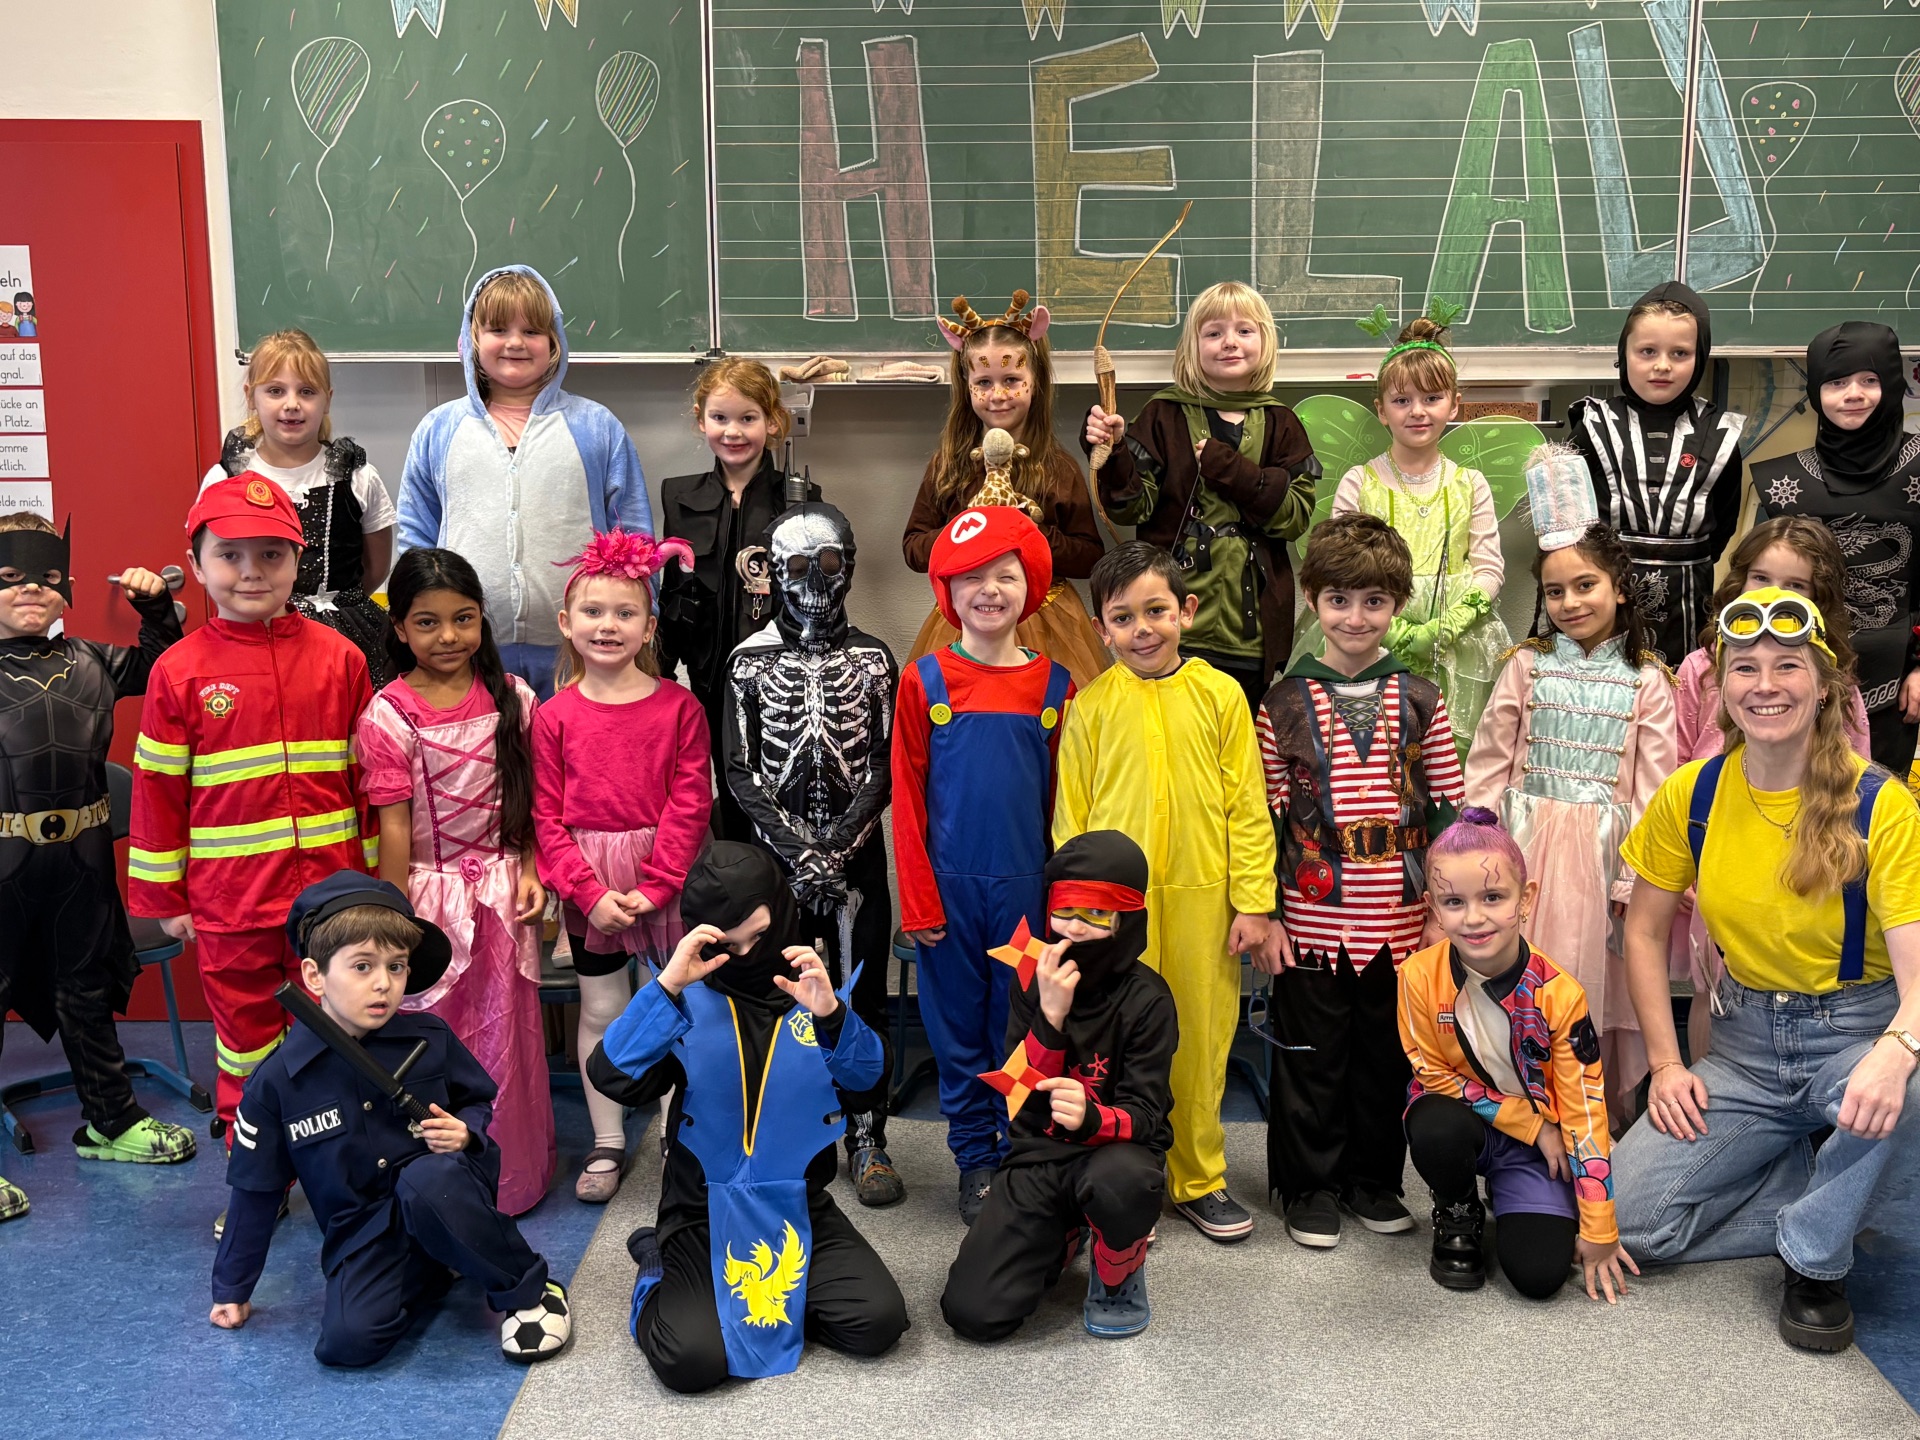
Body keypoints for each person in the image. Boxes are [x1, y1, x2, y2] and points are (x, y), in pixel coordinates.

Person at [1614, 587, 1920, 1353]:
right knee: (1626, 1224)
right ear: (1722, 686)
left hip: (1853, 1030)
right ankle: (1816, 1189)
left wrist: (1896, 1052)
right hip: (1743, 1043)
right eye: (1745, 667)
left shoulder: (1880, 803)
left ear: (1826, 686)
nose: (1766, 684)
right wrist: (1663, 1064)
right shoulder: (1696, 791)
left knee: (1908, 1083)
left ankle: (1815, 1259)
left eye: (1788, 665)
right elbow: (1645, 934)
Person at [208, 872, 570, 1365]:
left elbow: (477, 1102)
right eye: (362, 966)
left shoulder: (429, 1038)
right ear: (315, 976)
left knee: (427, 1177)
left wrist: (466, 1133)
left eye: (396, 967)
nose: (383, 983)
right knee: (347, 1345)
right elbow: (256, 1189)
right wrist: (232, 1284)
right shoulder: (276, 1082)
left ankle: (527, 1287)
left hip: (444, 1194)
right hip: (363, 1233)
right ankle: (443, 1263)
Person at [590, 843, 908, 1391]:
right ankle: (654, 1266)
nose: (749, 955)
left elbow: (868, 1087)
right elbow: (611, 1075)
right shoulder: (682, 1004)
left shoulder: (813, 994)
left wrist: (831, 1015)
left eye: (761, 935)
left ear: (783, 913)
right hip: (701, 1212)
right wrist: (667, 986)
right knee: (689, 1362)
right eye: (728, 945)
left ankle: (754, 1303)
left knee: (877, 1323)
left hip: (797, 1206)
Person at [129, 476, 376, 1140]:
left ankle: (334, 1164)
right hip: (230, 903)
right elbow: (157, 791)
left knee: (337, 1033)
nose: (250, 572)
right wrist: (170, 899)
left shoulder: (342, 659)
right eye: (230, 555)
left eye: (271, 554)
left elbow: (367, 782)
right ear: (197, 564)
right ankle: (256, 1168)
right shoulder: (178, 672)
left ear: (299, 561)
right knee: (245, 1043)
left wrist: (373, 884)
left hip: (330, 897)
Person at [1054, 541, 1276, 1243]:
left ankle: (1199, 1177)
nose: (1142, 629)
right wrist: (1074, 912)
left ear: (1187, 610)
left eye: (1156, 611)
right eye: (1123, 618)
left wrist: (1254, 901)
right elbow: (1073, 817)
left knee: (1202, 1038)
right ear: (1102, 630)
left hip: (1204, 899)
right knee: (1114, 1040)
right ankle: (1117, 1168)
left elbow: (1248, 804)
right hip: (1111, 913)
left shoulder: (1220, 695)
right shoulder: (1090, 706)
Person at [1256, 513, 1463, 1248]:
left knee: (1386, 1059)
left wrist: (1444, 912)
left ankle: (1373, 1180)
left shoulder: (1422, 700)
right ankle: (1307, 1186)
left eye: (1374, 601)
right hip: (1310, 922)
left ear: (1397, 606)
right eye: (1340, 599)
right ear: (1312, 600)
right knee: (1312, 1058)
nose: (1355, 617)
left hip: (1402, 924)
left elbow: (1448, 813)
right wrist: (1266, 916)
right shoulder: (1280, 704)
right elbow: (1266, 821)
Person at [0, 514, 194, 1222]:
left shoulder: (93, 661)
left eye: (48, 579)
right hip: (2, 866)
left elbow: (166, 664)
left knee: (87, 992)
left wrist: (154, 605)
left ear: (70, 588)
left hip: (81, 861)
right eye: (9, 577)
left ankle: (110, 1121)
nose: (31, 590)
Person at [1465, 490, 1677, 1115]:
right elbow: (1489, 762)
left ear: (1619, 588)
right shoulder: (1525, 667)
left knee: (1587, 991)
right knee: (1515, 982)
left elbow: (1655, 791)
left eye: (1585, 585)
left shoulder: (1647, 681)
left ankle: (1588, 1122)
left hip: (1600, 864)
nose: (1570, 603)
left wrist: (1633, 879)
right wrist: (1479, 849)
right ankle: (1517, 1117)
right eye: (1555, 592)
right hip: (1522, 853)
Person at [892, 505, 1073, 1222]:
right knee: (958, 1031)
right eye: (972, 577)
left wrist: (1064, 904)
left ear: (1032, 588)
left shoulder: (1057, 688)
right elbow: (905, 799)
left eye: (1007, 574)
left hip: (1029, 896)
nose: (990, 590)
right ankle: (974, 1157)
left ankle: (1022, 1150)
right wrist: (919, 901)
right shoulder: (925, 681)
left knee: (1023, 1028)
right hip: (949, 895)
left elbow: (1067, 807)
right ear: (947, 591)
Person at [358, 548, 552, 1216]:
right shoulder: (388, 715)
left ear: (482, 621)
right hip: (427, 896)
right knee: (431, 1038)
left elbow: (529, 799)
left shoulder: (514, 700)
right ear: (400, 631)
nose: (448, 637)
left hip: (500, 894)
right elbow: (391, 826)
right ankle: (434, 1191)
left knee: (505, 1038)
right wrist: (393, 920)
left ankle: (510, 1175)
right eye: (427, 622)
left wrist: (529, 871)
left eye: (463, 619)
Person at [723, 503, 901, 1206]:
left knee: (863, 996)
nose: (812, 582)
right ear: (769, 573)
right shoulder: (748, 662)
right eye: (795, 567)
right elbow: (740, 771)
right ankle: (790, 1135)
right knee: (778, 997)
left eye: (826, 564)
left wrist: (838, 850)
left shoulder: (874, 659)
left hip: (855, 863)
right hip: (779, 864)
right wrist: (801, 855)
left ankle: (869, 1135)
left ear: (849, 566)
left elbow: (885, 765)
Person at [533, 528, 712, 1203]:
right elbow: (545, 820)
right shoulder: (552, 716)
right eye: (593, 612)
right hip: (590, 887)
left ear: (649, 626)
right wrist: (587, 893)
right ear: (566, 622)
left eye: (625, 613)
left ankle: (679, 1136)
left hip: (667, 878)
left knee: (678, 1005)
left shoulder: (679, 707)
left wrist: (658, 883)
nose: (608, 626)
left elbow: (692, 803)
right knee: (604, 1007)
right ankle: (608, 1139)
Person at [941, 830, 1177, 1341]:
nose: (1075, 929)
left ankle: (1117, 1267)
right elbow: (1022, 1113)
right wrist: (1050, 1017)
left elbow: (1149, 1117)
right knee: (974, 1313)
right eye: (1065, 911)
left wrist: (1095, 1118)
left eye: (1097, 915)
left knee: (1125, 1182)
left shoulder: (1149, 1000)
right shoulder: (1031, 978)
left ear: (1127, 918)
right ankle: (1067, 1231)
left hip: (1116, 1156)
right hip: (1039, 1156)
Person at [1400, 809, 1637, 1303]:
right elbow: (1430, 1072)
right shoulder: (1417, 977)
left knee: (1538, 1276)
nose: (1475, 917)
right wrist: (1530, 1124)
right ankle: (1458, 1207)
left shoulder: (1561, 994)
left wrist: (1599, 1227)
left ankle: (1516, 1197)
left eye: (1493, 896)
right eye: (1454, 901)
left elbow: (1586, 1107)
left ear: (1525, 899)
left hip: (1538, 1149)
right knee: (1431, 1123)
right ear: (1433, 909)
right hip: (1480, 1122)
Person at [396, 265, 652, 701]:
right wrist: (419, 622)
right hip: (468, 653)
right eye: (498, 328)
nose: (515, 342)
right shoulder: (438, 429)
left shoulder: (596, 427)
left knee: (569, 764)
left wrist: (639, 619)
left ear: (554, 343)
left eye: (532, 330)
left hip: (576, 653)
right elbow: (415, 537)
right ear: (473, 338)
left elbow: (635, 536)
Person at [1670, 517, 1870, 1058]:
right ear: (1738, 584)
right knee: (1712, 993)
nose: (1774, 595)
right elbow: (1674, 766)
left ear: (1819, 600)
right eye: (1762, 578)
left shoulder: (1836, 690)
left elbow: (1858, 794)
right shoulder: (1698, 672)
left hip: (1803, 872)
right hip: (1713, 866)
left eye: (1796, 586)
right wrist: (1687, 862)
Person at [1082, 280, 1318, 709]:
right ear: (1193, 346)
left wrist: (1233, 471)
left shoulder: (1282, 424)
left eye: (1244, 330)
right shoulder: (1162, 414)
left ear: (1265, 340)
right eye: (1213, 333)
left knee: (1236, 740)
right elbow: (1133, 505)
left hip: (1251, 634)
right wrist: (1114, 452)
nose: (1229, 342)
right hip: (1169, 626)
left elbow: (1295, 517)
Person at [902, 290, 1108, 687]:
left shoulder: (1057, 465)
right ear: (967, 386)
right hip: (967, 619)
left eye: (1011, 379)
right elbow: (912, 546)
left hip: (1049, 623)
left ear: (1035, 382)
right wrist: (967, 532)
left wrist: (1029, 534)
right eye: (984, 382)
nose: (997, 395)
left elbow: (1090, 557)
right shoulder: (949, 463)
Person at [1328, 314, 1510, 751]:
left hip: (1459, 642)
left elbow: (1490, 569)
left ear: (1455, 404)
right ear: (1381, 410)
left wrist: (1445, 626)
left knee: (1450, 755)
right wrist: (1386, 627)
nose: (1418, 411)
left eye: (1432, 397)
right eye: (1401, 400)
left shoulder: (1471, 484)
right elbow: (1336, 566)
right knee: (1370, 751)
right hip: (1368, 634)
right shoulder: (1359, 481)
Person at [657, 358, 819, 842]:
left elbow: (813, 599)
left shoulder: (799, 499)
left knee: (775, 800)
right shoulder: (678, 498)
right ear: (700, 419)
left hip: (777, 686)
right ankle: (731, 895)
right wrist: (657, 673)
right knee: (720, 795)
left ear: (773, 421)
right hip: (705, 679)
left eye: (747, 418)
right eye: (720, 418)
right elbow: (672, 593)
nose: (733, 432)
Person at [1752, 322, 1920, 773]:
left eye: (1870, 380)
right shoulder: (1781, 482)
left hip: (1896, 680)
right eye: (1836, 382)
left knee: (1877, 811)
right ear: (1816, 390)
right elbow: (1758, 589)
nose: (1854, 394)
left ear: (1893, 384)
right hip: (1793, 681)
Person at [204, 328, 397, 686]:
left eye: (306, 391)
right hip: (253, 633)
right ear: (251, 396)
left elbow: (374, 568)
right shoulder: (224, 479)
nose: (291, 403)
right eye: (276, 390)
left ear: (327, 399)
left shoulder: (358, 477)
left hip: (346, 637)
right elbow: (215, 560)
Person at [1568, 282, 1747, 666]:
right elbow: (1569, 519)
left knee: (1681, 702)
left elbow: (1723, 524)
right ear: (1624, 354)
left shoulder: (1720, 434)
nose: (1662, 365)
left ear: (1699, 358)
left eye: (1679, 353)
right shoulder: (1592, 425)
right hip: (1603, 597)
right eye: (1647, 351)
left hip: (1689, 603)